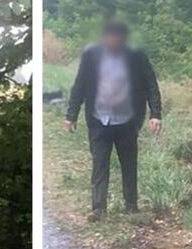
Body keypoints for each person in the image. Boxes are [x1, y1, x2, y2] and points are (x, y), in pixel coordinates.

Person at [64, 20, 163, 218]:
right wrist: (71, 115)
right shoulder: (91, 55)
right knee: (100, 163)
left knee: (129, 164)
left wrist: (155, 114)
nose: (114, 41)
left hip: (127, 120)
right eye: (110, 37)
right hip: (99, 119)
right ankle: (98, 208)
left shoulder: (136, 55)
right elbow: (80, 85)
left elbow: (151, 84)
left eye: (118, 38)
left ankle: (131, 205)